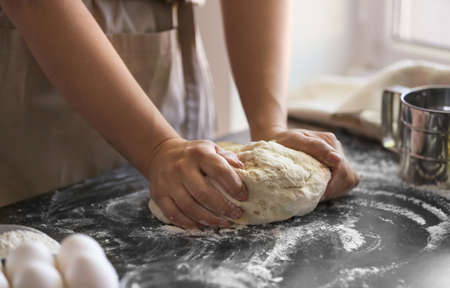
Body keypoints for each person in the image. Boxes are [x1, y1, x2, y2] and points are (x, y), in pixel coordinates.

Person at [0, 0, 358, 228]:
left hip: (168, 47)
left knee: (195, 200)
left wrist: (269, 128)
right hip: (44, 61)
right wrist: (157, 148)